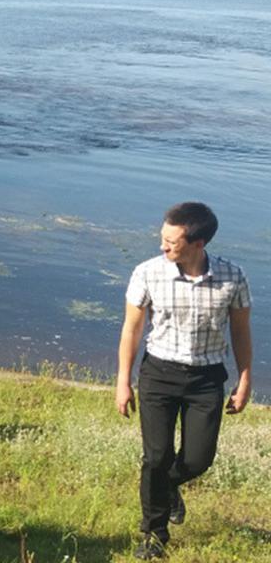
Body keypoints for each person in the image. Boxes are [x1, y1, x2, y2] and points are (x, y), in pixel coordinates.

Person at [115, 202, 252, 560]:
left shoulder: (233, 277)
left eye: (172, 242)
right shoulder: (148, 272)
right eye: (162, 238)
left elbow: (240, 331)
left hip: (206, 379)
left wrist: (245, 379)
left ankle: (168, 487)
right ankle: (154, 535)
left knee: (198, 460)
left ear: (198, 243)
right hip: (159, 374)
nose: (163, 246)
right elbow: (131, 328)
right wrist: (122, 380)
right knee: (156, 457)